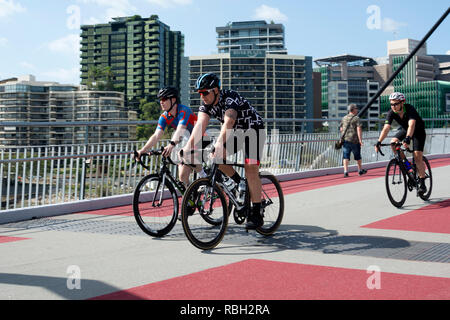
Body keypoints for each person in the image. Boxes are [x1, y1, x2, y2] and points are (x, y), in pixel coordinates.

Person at [180, 73, 266, 230]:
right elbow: (199, 126)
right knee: (215, 158)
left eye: (205, 92)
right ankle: (239, 182)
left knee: (251, 168)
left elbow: (229, 120)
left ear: (216, 90)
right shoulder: (206, 105)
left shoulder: (230, 98)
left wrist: (219, 143)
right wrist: (188, 147)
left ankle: (257, 212)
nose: (202, 96)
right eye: (199, 93)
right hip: (236, 133)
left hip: (253, 131)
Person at [136, 86, 200, 187]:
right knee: (182, 177)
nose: (161, 102)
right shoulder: (164, 116)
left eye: (164, 99)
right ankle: (191, 197)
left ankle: (205, 178)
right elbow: (156, 135)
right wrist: (143, 150)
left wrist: (171, 144)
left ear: (173, 99)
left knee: (184, 156)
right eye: (160, 100)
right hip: (186, 140)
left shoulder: (184, 110)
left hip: (199, 138)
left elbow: (180, 129)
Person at [375, 92, 427, 194]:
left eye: (396, 104)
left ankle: (422, 182)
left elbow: (411, 125)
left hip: (418, 131)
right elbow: (386, 128)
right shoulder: (391, 113)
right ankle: (406, 165)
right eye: (391, 104)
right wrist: (379, 141)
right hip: (405, 130)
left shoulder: (409, 108)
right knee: (393, 142)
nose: (393, 106)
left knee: (417, 157)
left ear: (402, 102)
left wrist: (407, 139)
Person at [340, 103, 367, 177]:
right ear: (353, 109)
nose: (357, 109)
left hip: (346, 140)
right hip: (355, 140)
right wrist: (360, 140)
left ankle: (345, 171)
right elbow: (359, 129)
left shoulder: (344, 118)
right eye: (356, 108)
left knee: (346, 156)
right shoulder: (356, 118)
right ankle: (360, 170)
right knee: (357, 156)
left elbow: (341, 129)